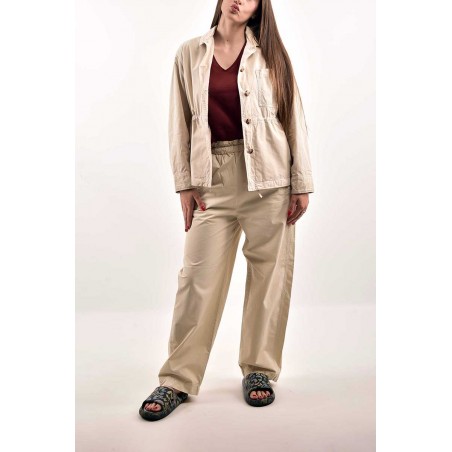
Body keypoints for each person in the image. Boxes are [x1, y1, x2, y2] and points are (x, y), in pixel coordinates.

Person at [139, 0, 314, 422]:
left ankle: (259, 370)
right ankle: (177, 379)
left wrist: (302, 182)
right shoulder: (189, 53)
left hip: (270, 178)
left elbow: (293, 116)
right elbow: (179, 120)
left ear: (258, 8)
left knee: (269, 278)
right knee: (196, 281)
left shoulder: (271, 54)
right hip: (210, 180)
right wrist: (184, 183)